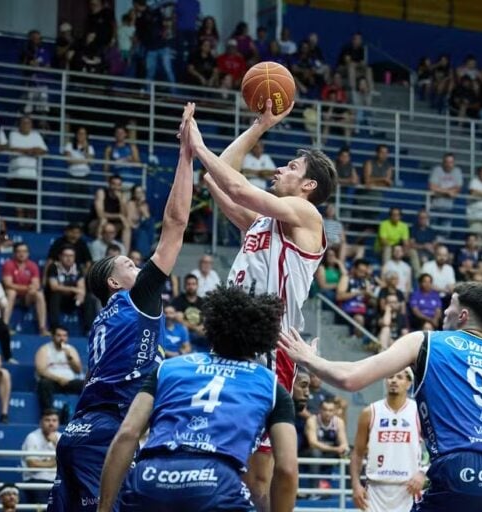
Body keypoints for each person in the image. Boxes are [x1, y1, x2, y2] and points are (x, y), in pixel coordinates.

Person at [279, 281, 482, 511]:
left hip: (462, 469)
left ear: (462, 316)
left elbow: (351, 378)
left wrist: (310, 359)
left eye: (450, 305)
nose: (444, 311)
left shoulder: (426, 341)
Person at [184, 99, 335, 510]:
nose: (279, 169)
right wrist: (260, 125)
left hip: (269, 345)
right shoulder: (263, 222)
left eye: (291, 167)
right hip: (232, 340)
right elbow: (220, 177)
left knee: (259, 475)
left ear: (308, 185)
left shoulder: (306, 214)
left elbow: (234, 185)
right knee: (226, 456)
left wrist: (198, 145)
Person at [48, 103, 195, 512]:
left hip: (78, 431)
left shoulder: (103, 319)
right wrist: (186, 155)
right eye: (130, 265)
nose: (139, 266)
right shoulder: (135, 300)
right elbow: (176, 224)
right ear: (114, 282)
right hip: (105, 435)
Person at [96, 286, 298, 512]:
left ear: (211, 325)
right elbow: (286, 469)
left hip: (150, 477)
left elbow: (127, 434)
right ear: (263, 337)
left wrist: (103, 508)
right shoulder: (270, 384)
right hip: (215, 479)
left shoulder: (168, 368)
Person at [350, 369, 424, 512]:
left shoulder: (418, 412)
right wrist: (355, 485)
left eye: (400, 377)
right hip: (375, 489)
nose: (394, 380)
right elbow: (357, 453)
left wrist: (422, 473)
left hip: (408, 489)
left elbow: (435, 447)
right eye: (390, 377)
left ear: (409, 383)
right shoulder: (370, 412)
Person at [34, 326, 83, 417]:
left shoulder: (71, 350)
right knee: (44, 383)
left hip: (69, 382)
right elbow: (41, 370)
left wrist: (69, 357)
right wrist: (58, 379)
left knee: (87, 385)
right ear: (53, 337)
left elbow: (78, 370)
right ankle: (49, 413)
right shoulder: (44, 349)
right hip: (52, 381)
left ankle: (87, 413)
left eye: (64, 336)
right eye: (59, 335)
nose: (62, 338)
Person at [1, 242, 49, 335]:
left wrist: (31, 289)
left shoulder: (32, 265)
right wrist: (27, 288)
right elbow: (8, 284)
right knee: (11, 292)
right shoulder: (9, 264)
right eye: (19, 251)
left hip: (27, 297)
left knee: (39, 294)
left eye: (24, 251)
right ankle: (4, 326)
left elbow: (36, 284)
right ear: (14, 253)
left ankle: (42, 328)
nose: (22, 254)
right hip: (13, 296)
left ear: (28, 253)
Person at [8, 115, 48, 223]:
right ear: (19, 125)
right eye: (24, 122)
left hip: (32, 176)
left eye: (28, 123)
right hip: (16, 175)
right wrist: (32, 150)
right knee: (19, 207)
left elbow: (44, 151)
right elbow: (13, 149)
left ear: (31, 125)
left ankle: (29, 227)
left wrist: (25, 151)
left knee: (31, 207)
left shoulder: (36, 135)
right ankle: (20, 226)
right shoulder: (13, 134)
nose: (26, 125)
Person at [21, 409, 60, 505]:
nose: (51, 423)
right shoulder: (32, 437)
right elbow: (32, 464)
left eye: (54, 420)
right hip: (36, 479)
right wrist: (53, 463)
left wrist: (56, 443)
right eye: (47, 420)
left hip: (57, 480)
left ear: (58, 423)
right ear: (41, 422)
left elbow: (68, 462)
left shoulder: (61, 437)